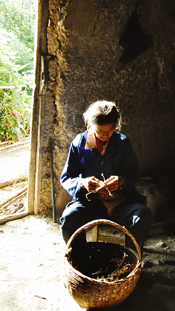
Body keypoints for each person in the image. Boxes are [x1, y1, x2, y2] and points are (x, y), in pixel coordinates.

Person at [59, 100, 153, 250]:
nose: (105, 135)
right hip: (91, 202)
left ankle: (129, 257)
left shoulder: (122, 143)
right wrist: (82, 183)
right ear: (91, 125)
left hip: (121, 203)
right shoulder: (79, 143)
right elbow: (67, 177)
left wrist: (121, 180)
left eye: (110, 131)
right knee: (69, 219)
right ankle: (78, 256)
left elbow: (133, 173)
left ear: (115, 127)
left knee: (143, 216)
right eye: (100, 131)